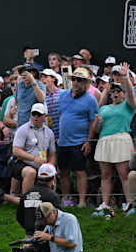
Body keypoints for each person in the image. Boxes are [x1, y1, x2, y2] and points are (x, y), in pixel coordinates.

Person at [52, 67, 98, 207]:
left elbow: (93, 121)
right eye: (75, 79)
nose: (76, 82)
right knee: (63, 171)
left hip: (79, 141)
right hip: (63, 142)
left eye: (80, 80)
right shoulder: (64, 95)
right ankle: (66, 198)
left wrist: (88, 141)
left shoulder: (91, 100)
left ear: (86, 83)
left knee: (80, 171)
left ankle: (82, 201)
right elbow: (61, 115)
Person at [93, 63, 135, 212]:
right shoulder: (103, 108)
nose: (116, 93)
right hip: (104, 140)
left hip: (121, 139)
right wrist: (97, 123)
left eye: (119, 91)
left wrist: (125, 78)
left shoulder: (129, 106)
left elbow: (131, 94)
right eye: (114, 91)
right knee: (105, 175)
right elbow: (97, 129)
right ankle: (105, 204)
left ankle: (130, 203)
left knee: (124, 174)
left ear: (123, 93)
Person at [10, 103, 56, 197]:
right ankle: (27, 201)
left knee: (51, 172)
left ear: (45, 116)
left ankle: (49, 199)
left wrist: (50, 166)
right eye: (33, 114)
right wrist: (34, 158)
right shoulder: (23, 129)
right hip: (21, 163)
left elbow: (52, 154)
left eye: (39, 115)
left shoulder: (49, 132)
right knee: (31, 172)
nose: (36, 117)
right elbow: (16, 150)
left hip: (42, 164)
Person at [17, 163, 61, 236]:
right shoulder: (53, 196)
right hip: (47, 237)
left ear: (38, 177)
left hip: (29, 236)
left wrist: (29, 229)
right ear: (53, 177)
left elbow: (19, 217)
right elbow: (59, 219)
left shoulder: (26, 194)